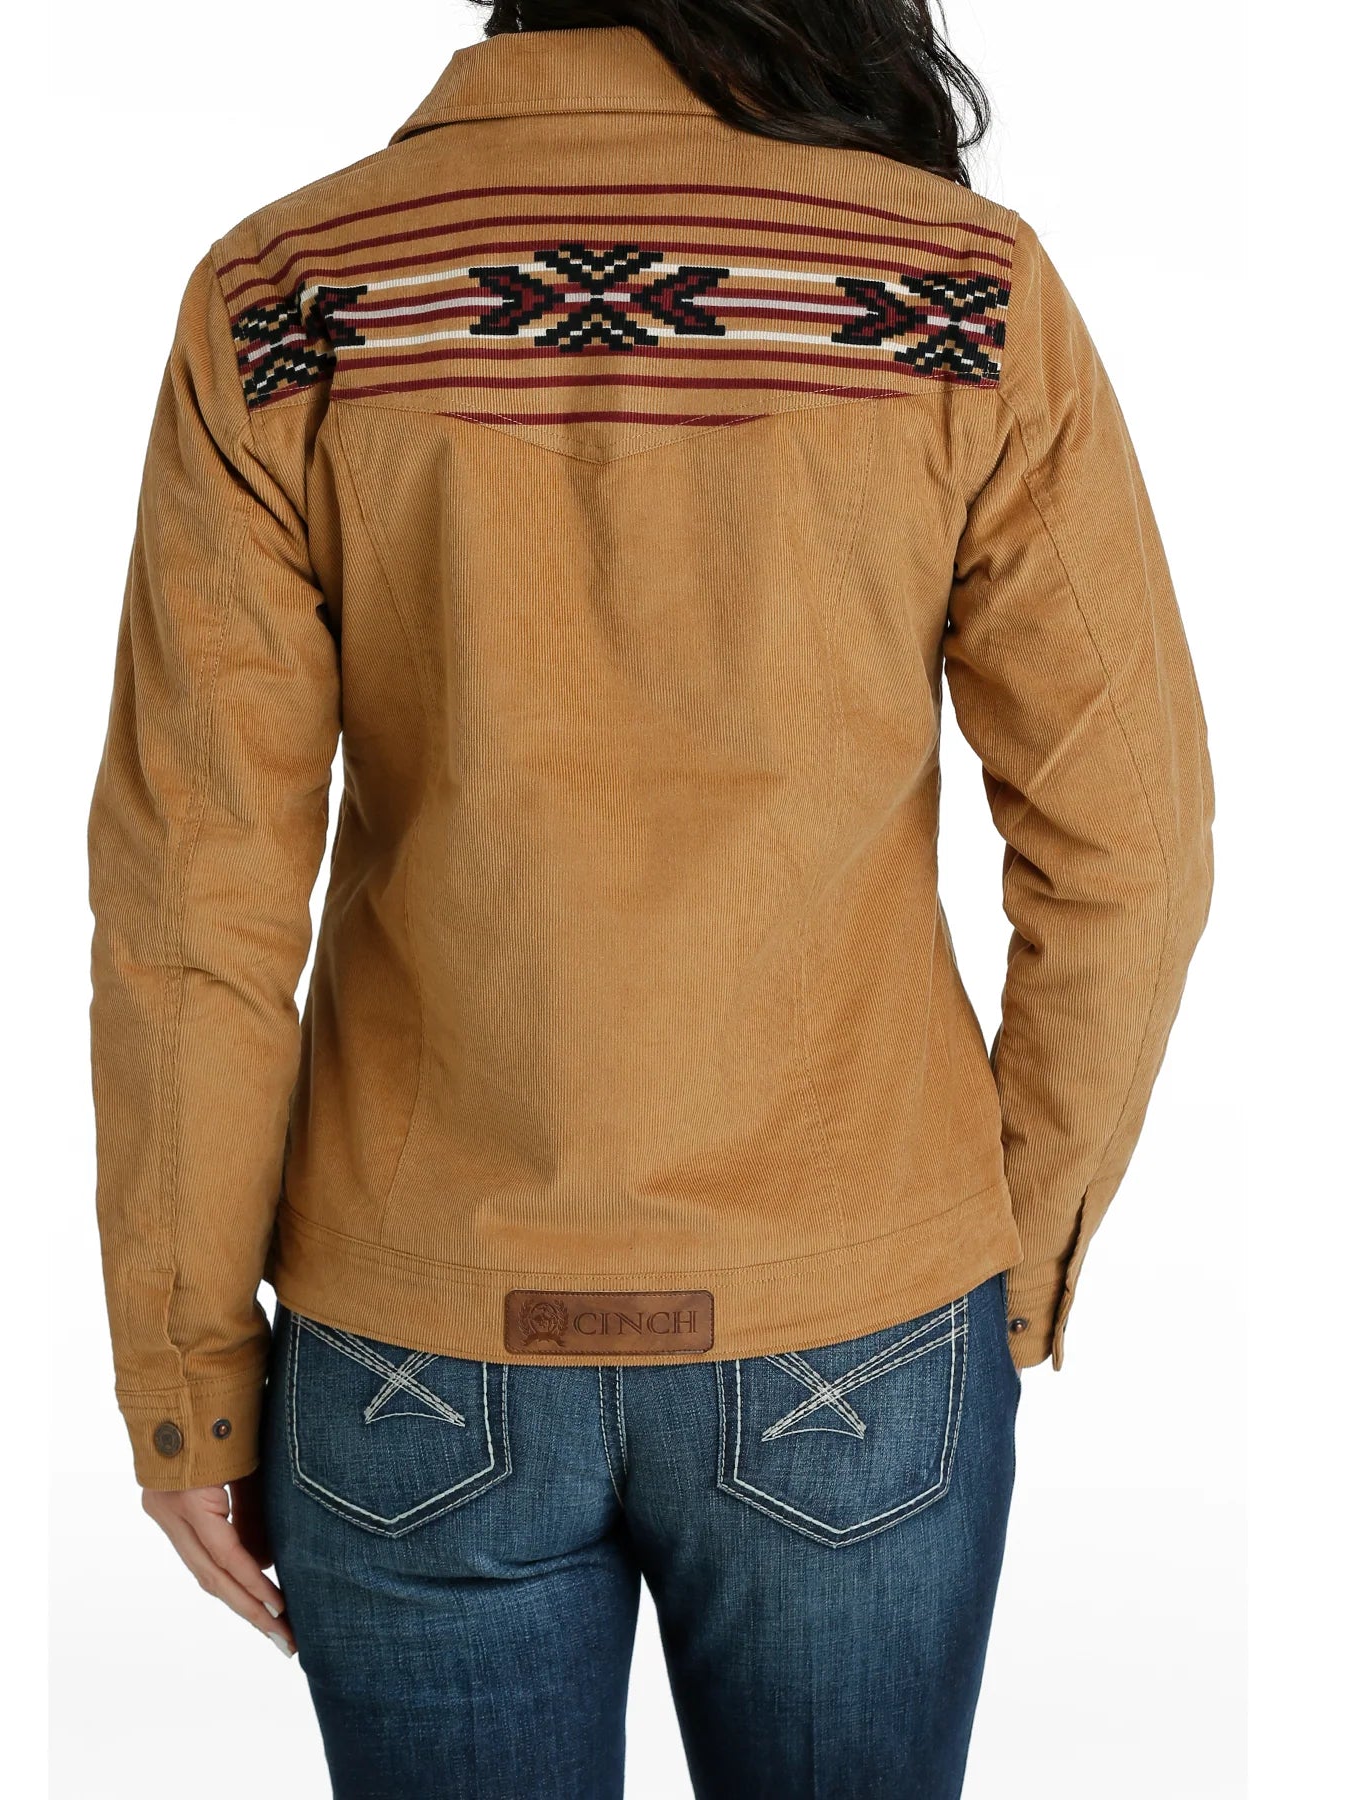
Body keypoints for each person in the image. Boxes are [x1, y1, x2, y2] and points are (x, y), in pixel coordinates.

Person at [84, 4, 1214, 1794]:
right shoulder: (958, 293)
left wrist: (186, 1366)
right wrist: (1000, 1255)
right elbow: (1131, 845)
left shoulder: (286, 300)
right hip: (859, 1327)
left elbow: (189, 900)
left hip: (416, 1341)